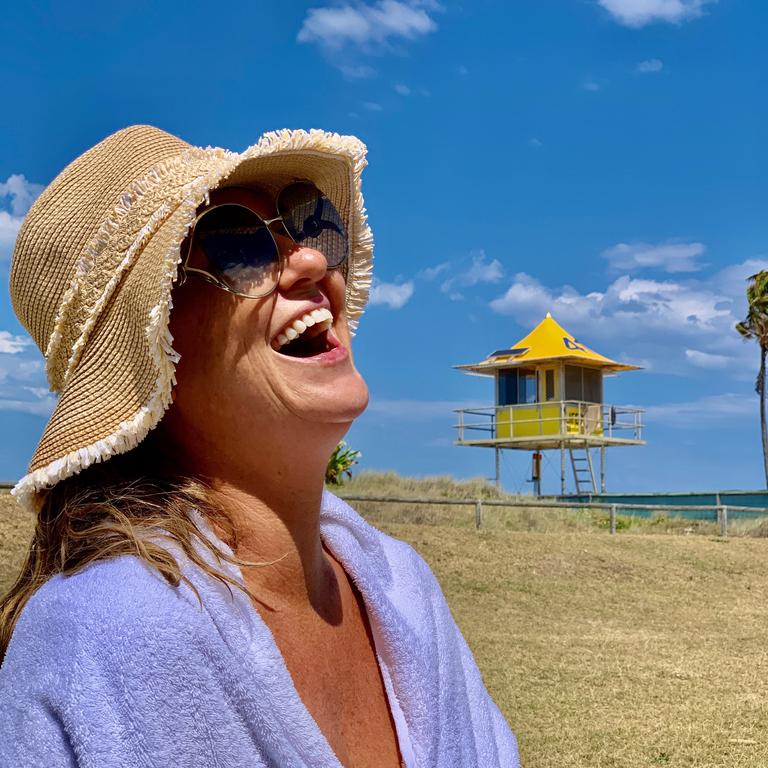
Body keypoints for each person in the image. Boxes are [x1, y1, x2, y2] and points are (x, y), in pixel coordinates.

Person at [0, 125, 520, 767]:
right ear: (152, 357)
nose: (310, 260)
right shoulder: (97, 635)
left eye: (309, 224)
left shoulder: (403, 587)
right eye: (233, 243)